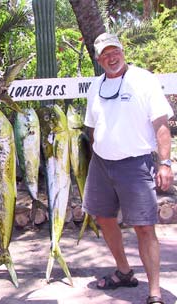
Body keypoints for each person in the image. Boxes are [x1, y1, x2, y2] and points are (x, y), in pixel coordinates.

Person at [83, 32, 174, 304]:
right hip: (101, 164)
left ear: (122, 51)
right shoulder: (94, 86)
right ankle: (124, 272)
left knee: (145, 227)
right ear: (99, 60)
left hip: (135, 165)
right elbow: (91, 128)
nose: (111, 58)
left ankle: (155, 292)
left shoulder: (143, 80)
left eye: (115, 52)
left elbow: (161, 125)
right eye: (105, 55)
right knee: (103, 218)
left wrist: (165, 163)